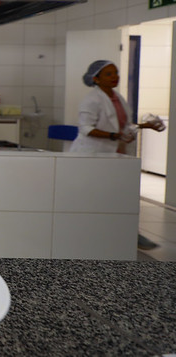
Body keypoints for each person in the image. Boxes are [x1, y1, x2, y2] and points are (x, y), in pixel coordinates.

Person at [69, 59, 166, 250]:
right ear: (95, 79)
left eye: (116, 73)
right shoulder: (92, 99)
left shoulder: (117, 98)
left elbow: (122, 127)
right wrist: (115, 135)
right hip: (93, 155)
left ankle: (128, 233)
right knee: (95, 196)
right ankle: (90, 235)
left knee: (122, 194)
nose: (115, 77)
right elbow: (86, 128)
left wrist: (144, 126)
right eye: (109, 74)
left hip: (116, 154)